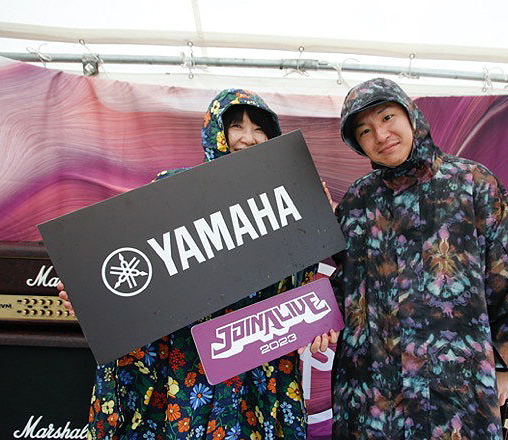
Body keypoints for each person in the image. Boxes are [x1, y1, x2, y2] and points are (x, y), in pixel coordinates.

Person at [59, 89, 317, 440]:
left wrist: (312, 211)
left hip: (251, 353)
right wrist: (92, 298)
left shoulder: (284, 197)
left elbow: (301, 275)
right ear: (215, 132)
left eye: (260, 129)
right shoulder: (173, 188)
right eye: (237, 126)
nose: (249, 138)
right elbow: (130, 257)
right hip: (185, 355)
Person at [318, 77, 508, 439]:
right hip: (374, 386)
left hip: (457, 381)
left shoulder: (473, 183)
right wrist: (316, 313)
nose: (381, 135)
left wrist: (505, 364)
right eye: (365, 130)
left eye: (387, 117)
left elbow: (507, 276)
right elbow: (346, 280)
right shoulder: (358, 200)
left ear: (410, 115)